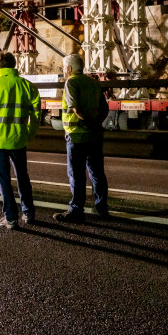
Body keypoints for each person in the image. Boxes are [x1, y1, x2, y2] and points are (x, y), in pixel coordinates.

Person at [0, 52, 42, 229]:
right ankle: (29, 213)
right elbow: (37, 112)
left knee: (3, 179)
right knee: (23, 176)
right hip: (19, 138)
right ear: (14, 65)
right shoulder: (26, 85)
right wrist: (30, 132)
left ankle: (11, 218)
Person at [54, 54, 111, 222]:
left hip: (77, 136)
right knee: (97, 173)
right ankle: (101, 208)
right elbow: (104, 108)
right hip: (95, 136)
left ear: (70, 69)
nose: (64, 70)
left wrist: (88, 124)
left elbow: (75, 109)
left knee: (77, 175)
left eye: (64, 67)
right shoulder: (93, 83)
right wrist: (96, 124)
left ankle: (76, 210)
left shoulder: (71, 82)